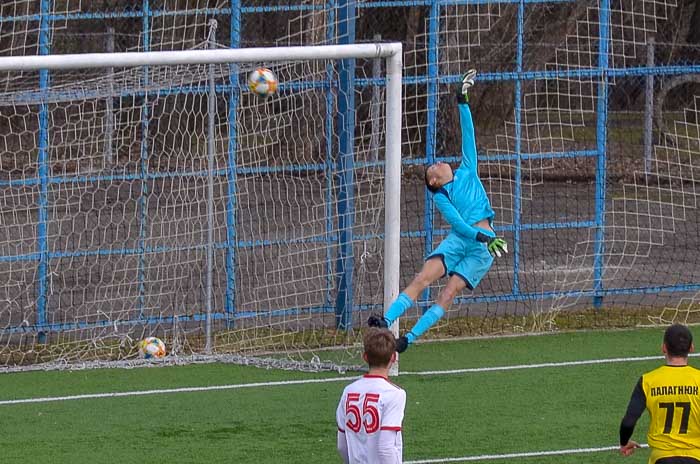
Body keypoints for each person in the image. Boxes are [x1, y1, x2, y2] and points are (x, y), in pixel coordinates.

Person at [368, 69, 507, 353]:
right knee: (422, 278)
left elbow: (468, 133)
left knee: (449, 291)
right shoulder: (441, 196)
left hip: (481, 251)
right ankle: (386, 319)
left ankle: (408, 338)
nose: (439, 162)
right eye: (433, 167)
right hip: (464, 241)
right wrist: (485, 237)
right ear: (434, 180)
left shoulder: (468, 169)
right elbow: (461, 226)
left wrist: (462, 100)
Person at [619, 324, 700, 463]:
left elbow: (628, 422)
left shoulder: (648, 381)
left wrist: (624, 441)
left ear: (664, 348)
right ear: (691, 347)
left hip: (661, 458)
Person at [336, 328, 406, 463]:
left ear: (365, 357)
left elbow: (342, 446)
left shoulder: (348, 391)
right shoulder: (394, 394)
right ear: (393, 357)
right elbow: (385, 448)